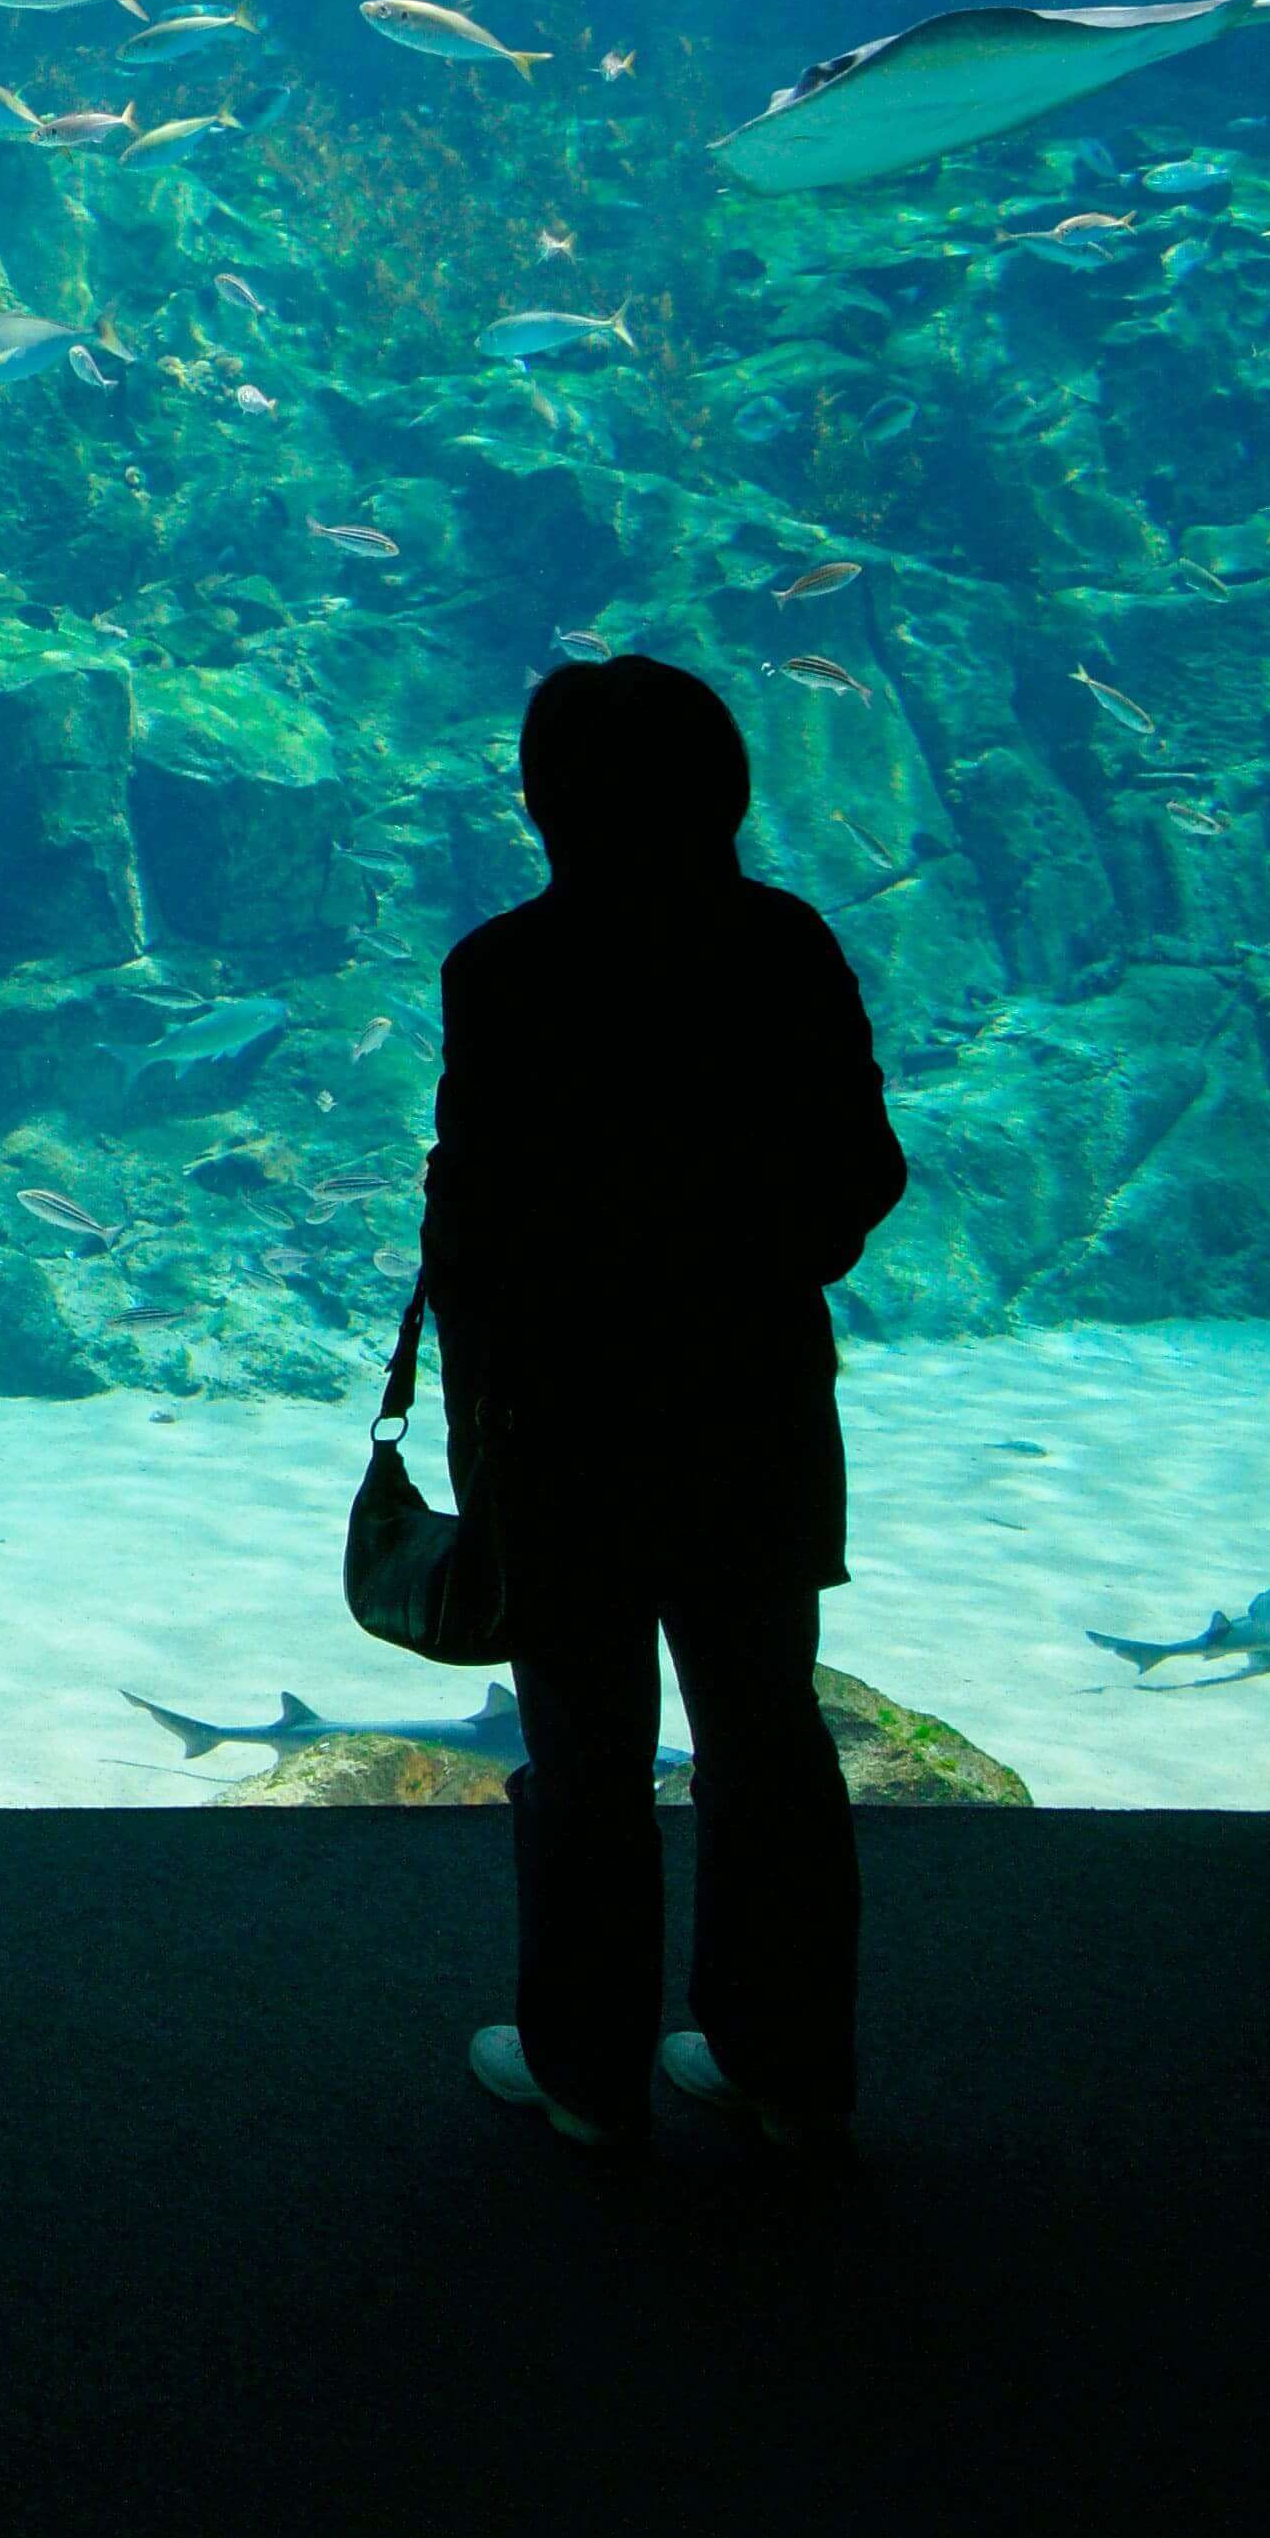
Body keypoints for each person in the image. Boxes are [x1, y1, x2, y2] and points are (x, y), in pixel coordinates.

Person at [425, 654, 906, 2153]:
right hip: (750, 1403)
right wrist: (758, 1270)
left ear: (544, 799)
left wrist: (487, 1400)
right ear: (728, 789)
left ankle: (587, 2069)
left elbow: (479, 1220)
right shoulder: (784, 945)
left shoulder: (505, 966)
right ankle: (785, 2063)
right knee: (767, 1732)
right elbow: (862, 1171)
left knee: (586, 1743)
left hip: (566, 1423)